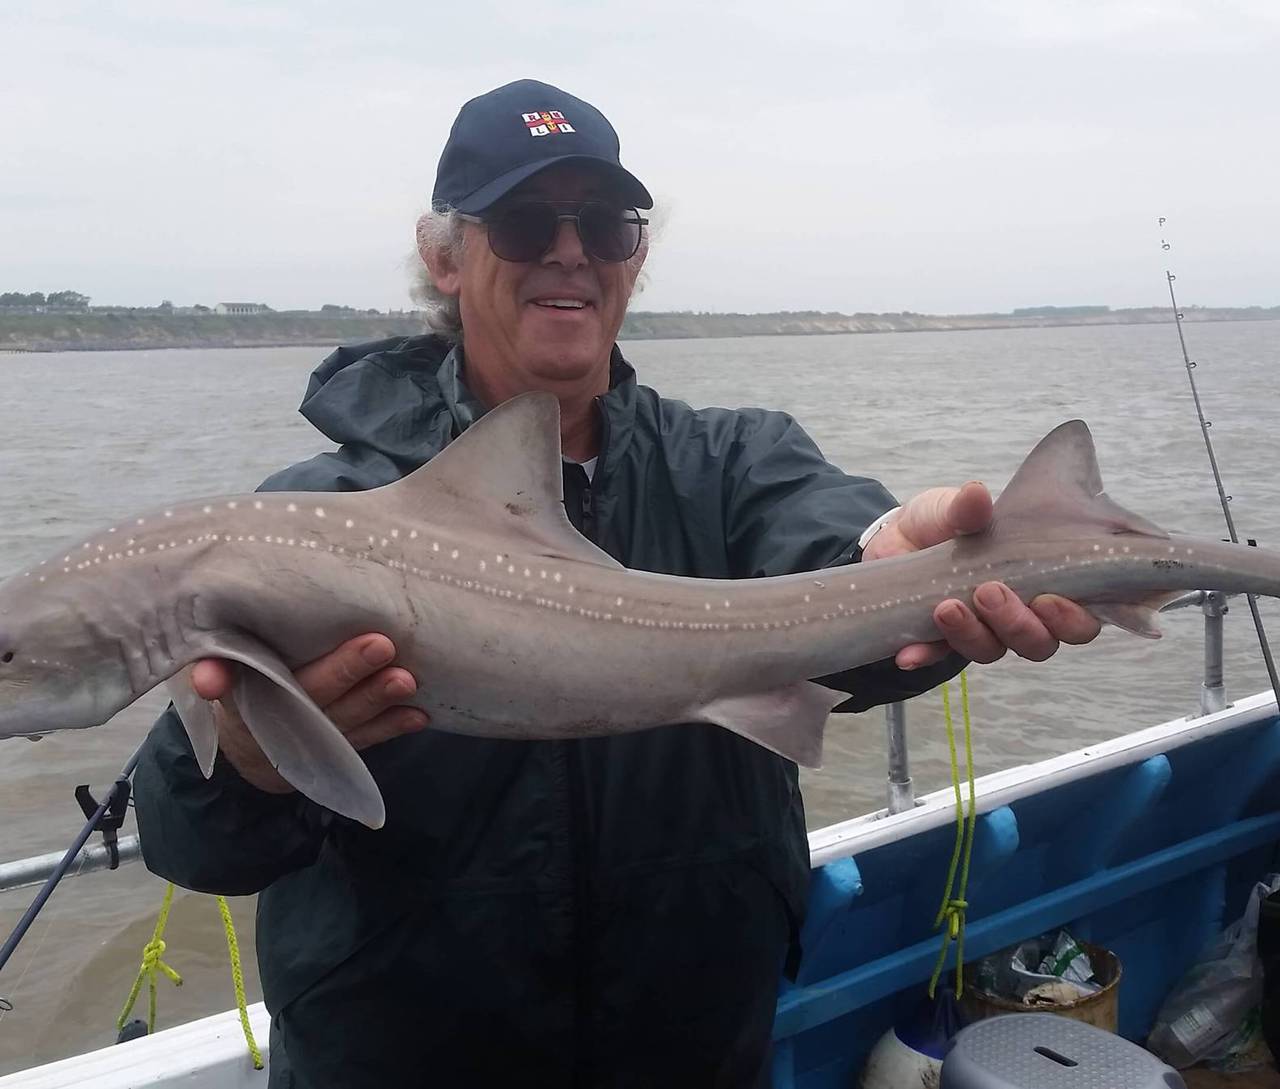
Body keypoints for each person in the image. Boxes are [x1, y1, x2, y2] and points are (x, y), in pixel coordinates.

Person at [133, 79, 1100, 1088]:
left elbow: (838, 581)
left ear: (634, 256)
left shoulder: (729, 463)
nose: (569, 252)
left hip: (688, 1049)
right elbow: (192, 844)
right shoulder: (319, 516)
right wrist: (248, 764)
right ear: (444, 258)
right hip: (400, 1057)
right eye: (521, 222)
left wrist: (901, 564)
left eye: (605, 224)